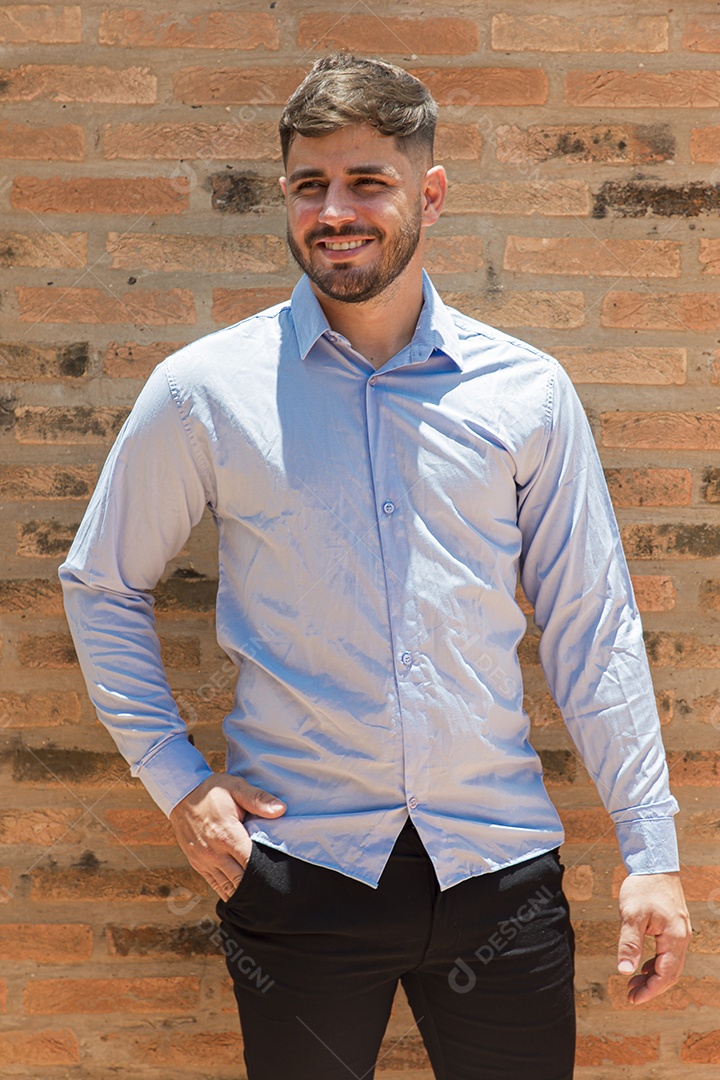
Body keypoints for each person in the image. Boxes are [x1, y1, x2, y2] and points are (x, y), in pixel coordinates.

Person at [60, 53, 691, 1080]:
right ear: (285, 198)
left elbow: (592, 626)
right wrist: (176, 781)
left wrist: (651, 852)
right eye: (311, 186)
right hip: (301, 877)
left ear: (429, 195)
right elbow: (101, 581)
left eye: (366, 183)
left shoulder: (526, 394)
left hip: (500, 875)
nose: (335, 212)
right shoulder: (206, 392)